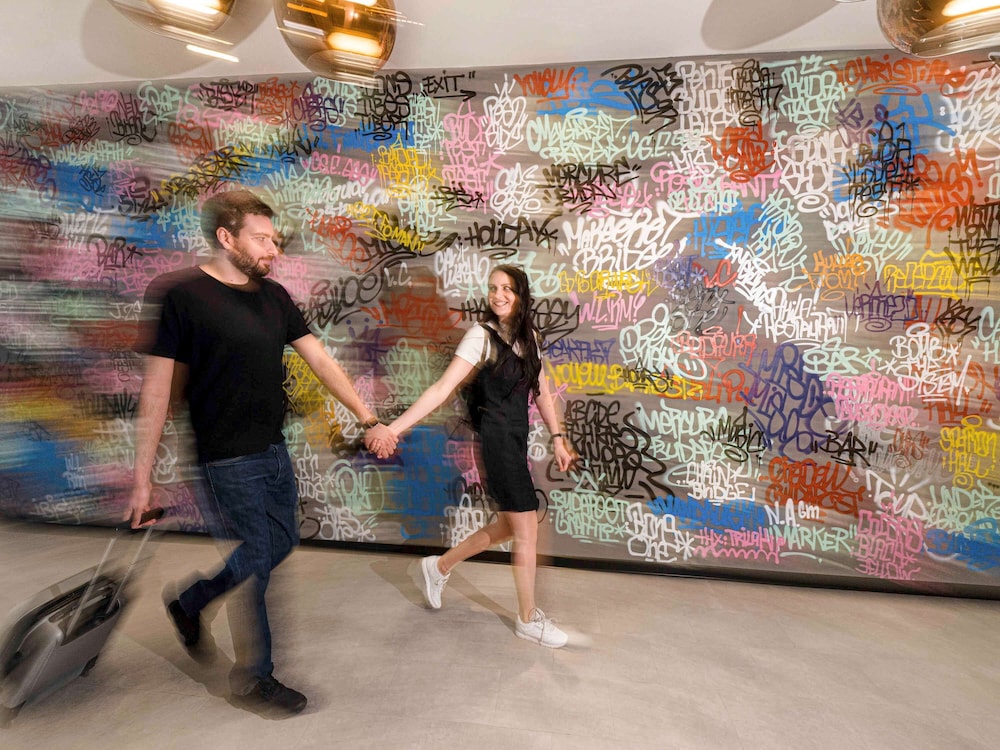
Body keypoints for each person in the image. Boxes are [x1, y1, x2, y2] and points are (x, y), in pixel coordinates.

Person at [126, 188, 396, 714]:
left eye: (274, 239)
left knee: (281, 541)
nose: (274, 249)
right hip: (224, 458)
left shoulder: (274, 297)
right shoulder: (181, 295)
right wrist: (142, 479)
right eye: (262, 239)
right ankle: (253, 678)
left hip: (273, 451)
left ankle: (191, 602)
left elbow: (321, 361)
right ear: (226, 238)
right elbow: (156, 391)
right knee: (256, 561)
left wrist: (367, 417)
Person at [382, 264, 578, 648]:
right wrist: (393, 428)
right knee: (527, 529)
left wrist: (558, 438)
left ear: (521, 294)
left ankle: (438, 567)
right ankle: (528, 619)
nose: (498, 295)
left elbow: (541, 390)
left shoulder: (529, 337)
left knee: (508, 527)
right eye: (493, 288)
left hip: (516, 441)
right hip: (497, 442)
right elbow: (441, 389)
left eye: (507, 288)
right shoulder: (480, 336)